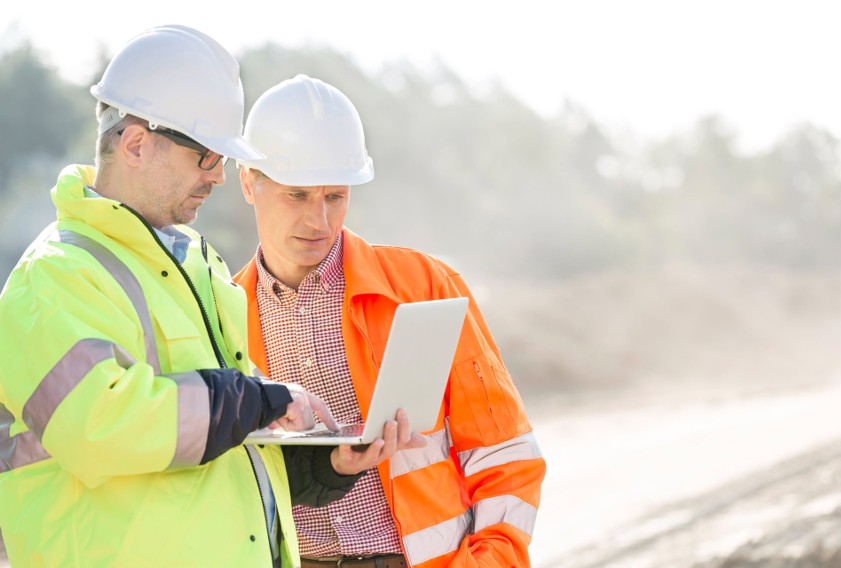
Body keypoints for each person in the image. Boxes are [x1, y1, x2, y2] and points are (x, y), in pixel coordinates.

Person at [0, 27, 420, 568]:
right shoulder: (55, 277)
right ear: (135, 144)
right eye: (206, 156)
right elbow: (97, 428)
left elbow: (210, 454)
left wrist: (324, 468)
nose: (220, 177)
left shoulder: (196, 266)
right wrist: (255, 399)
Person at [234, 74, 547, 568]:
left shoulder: (424, 286)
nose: (319, 220)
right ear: (249, 181)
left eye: (335, 196)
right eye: (297, 196)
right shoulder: (224, 314)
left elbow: (503, 452)